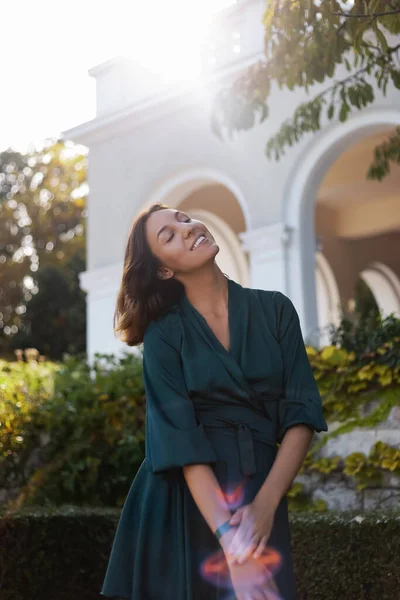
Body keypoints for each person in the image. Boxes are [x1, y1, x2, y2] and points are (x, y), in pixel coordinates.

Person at [100, 203, 328, 600]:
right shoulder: (164, 334)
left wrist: (264, 506)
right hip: (181, 502)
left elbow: (301, 417)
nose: (186, 229)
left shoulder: (275, 310)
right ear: (163, 270)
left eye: (184, 219)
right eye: (169, 235)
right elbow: (181, 442)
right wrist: (234, 549)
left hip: (259, 490)